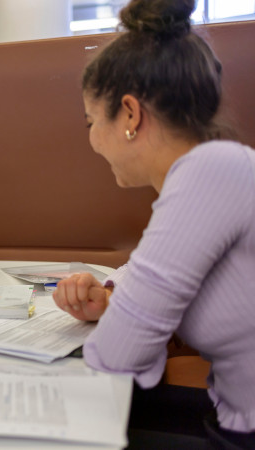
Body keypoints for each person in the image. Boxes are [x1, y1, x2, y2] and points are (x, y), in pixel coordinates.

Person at [53, 0, 255, 447]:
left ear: (129, 114)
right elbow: (159, 273)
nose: (90, 139)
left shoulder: (209, 173)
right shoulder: (220, 167)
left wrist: (118, 316)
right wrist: (109, 299)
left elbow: (116, 356)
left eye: (90, 120)